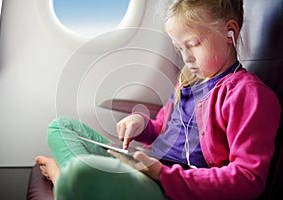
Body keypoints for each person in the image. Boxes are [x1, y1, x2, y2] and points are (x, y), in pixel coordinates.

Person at [35, 0, 281, 199]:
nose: (186, 58)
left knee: (80, 173)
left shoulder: (248, 95)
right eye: (179, 48)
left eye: (193, 44)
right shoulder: (188, 80)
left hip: (170, 186)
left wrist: (163, 175)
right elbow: (161, 128)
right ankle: (78, 185)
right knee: (61, 127)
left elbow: (248, 179)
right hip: (149, 166)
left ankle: (64, 180)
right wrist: (140, 124)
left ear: (230, 32)